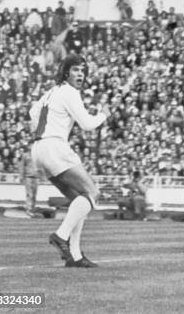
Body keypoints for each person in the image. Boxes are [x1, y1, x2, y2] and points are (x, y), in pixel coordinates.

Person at [30, 54, 110, 268]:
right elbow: (86, 124)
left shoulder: (51, 92)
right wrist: (103, 115)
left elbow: (33, 112)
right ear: (66, 72)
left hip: (39, 148)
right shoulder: (69, 92)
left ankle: (74, 256)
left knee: (78, 199)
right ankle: (60, 235)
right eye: (75, 70)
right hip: (54, 146)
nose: (80, 74)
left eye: (83, 70)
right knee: (92, 192)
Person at [20, 151, 42, 218]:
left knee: (34, 194)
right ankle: (29, 210)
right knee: (29, 194)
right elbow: (22, 165)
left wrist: (42, 175)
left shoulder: (38, 155)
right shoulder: (25, 155)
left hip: (36, 177)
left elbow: (41, 166)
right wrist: (21, 176)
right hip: (28, 176)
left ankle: (32, 209)